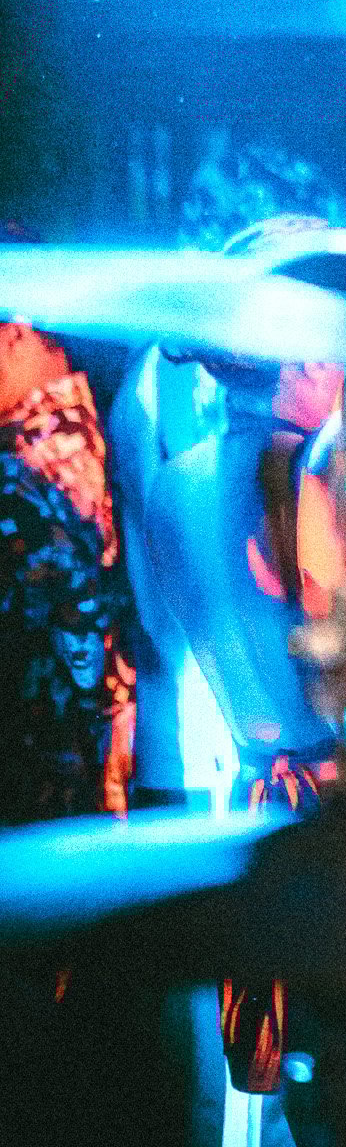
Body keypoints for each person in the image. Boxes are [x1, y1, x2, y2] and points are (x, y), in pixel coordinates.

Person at [0, 283, 133, 825]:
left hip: (52, 751)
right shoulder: (61, 434)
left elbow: (83, 622)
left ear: (17, 331)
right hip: (70, 745)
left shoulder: (42, 454)